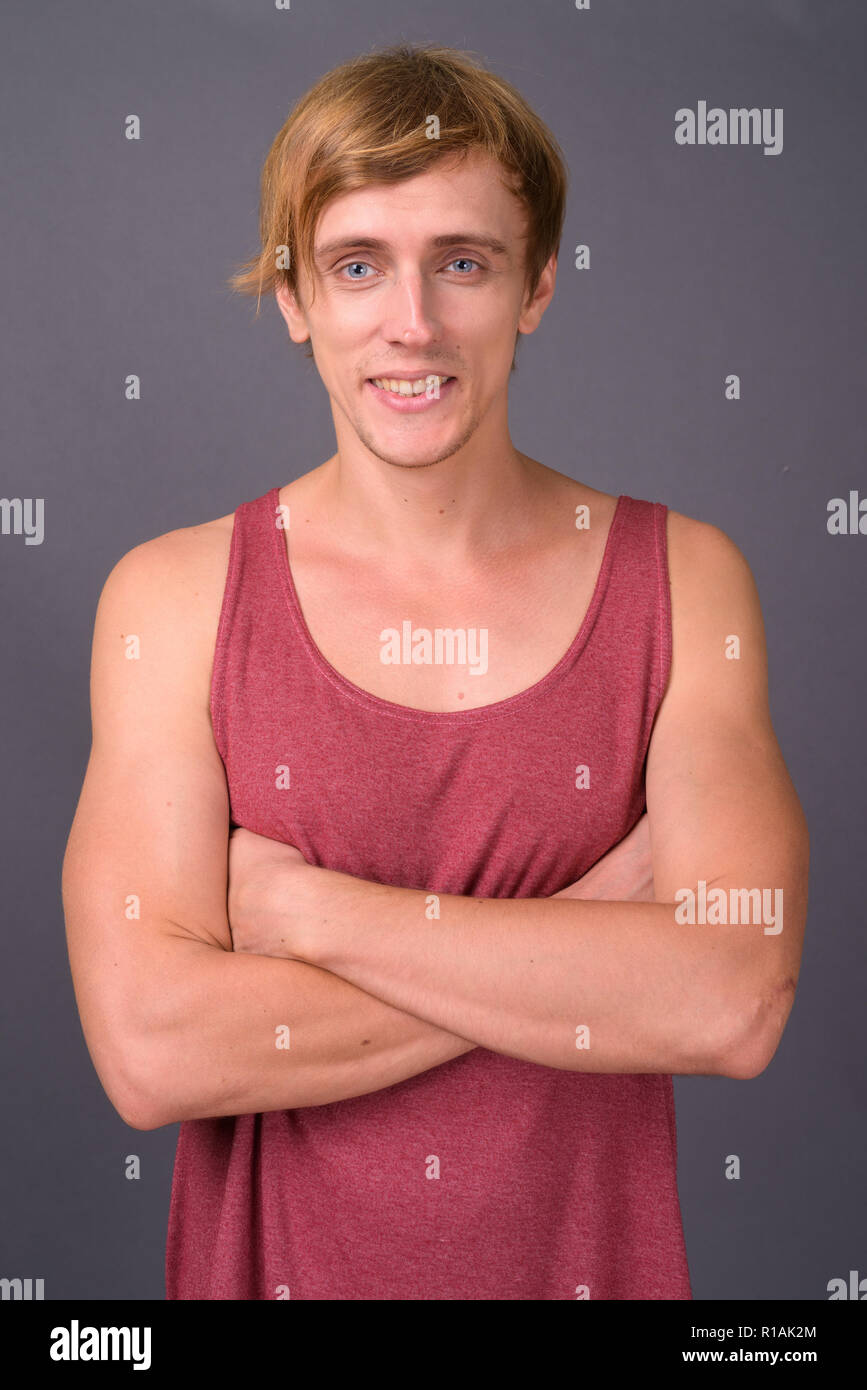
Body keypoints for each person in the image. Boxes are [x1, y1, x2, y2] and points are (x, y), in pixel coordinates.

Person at [62, 43, 808, 1301]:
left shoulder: (684, 579)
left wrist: (314, 917)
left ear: (538, 287)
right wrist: (587, 939)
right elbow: (150, 1050)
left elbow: (733, 995)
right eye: (359, 266)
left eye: (462, 262)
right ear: (296, 295)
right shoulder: (173, 600)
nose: (413, 321)